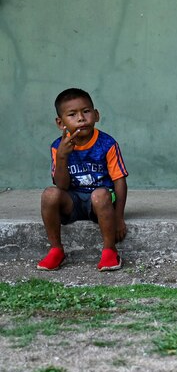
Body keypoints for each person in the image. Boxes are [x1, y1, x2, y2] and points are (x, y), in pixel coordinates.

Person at [38, 88, 128, 271]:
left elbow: (119, 181)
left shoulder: (107, 144)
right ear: (60, 122)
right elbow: (61, 186)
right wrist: (62, 157)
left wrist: (119, 217)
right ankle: (56, 249)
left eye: (86, 112)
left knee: (100, 194)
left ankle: (109, 251)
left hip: (101, 204)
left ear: (96, 115)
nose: (81, 118)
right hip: (73, 201)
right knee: (49, 194)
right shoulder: (58, 147)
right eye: (72, 114)